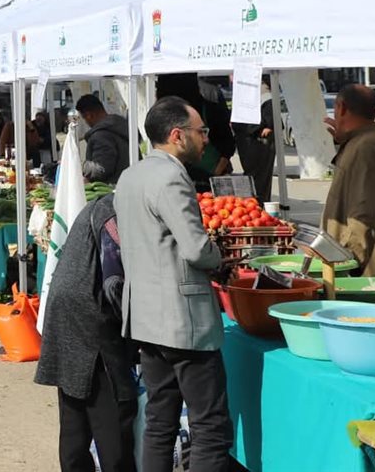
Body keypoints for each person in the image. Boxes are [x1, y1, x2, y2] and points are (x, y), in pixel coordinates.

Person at [117, 96, 231, 472]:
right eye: (202, 132)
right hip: (183, 322)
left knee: (160, 421)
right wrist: (220, 256)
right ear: (178, 135)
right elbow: (196, 249)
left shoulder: (131, 174)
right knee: (210, 427)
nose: (206, 139)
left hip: (146, 317)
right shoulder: (171, 177)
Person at [35, 193, 136, 472]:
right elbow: (114, 284)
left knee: (74, 410)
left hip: (66, 312)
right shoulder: (113, 214)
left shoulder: (105, 205)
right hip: (90, 317)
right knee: (113, 410)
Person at [322, 84, 375, 277]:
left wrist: (347, 261)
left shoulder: (367, 146)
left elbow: (365, 213)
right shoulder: (362, 141)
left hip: (362, 274)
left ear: (342, 108)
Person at [156, 73, 236, 189]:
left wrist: (214, 176)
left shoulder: (208, 107)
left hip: (208, 177)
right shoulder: (162, 115)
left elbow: (227, 145)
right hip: (176, 179)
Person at [231, 79, 277, 202]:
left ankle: (257, 203)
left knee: (259, 176)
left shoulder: (261, 90)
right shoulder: (243, 89)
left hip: (258, 139)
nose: (231, 78)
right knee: (253, 176)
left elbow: (271, 111)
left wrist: (269, 125)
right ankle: (254, 203)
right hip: (247, 138)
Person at [76, 95, 131, 185]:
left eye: (84, 118)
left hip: (113, 188)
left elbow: (101, 168)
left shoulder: (101, 136)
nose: (85, 122)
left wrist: (80, 166)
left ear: (89, 115)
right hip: (129, 183)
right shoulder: (121, 126)